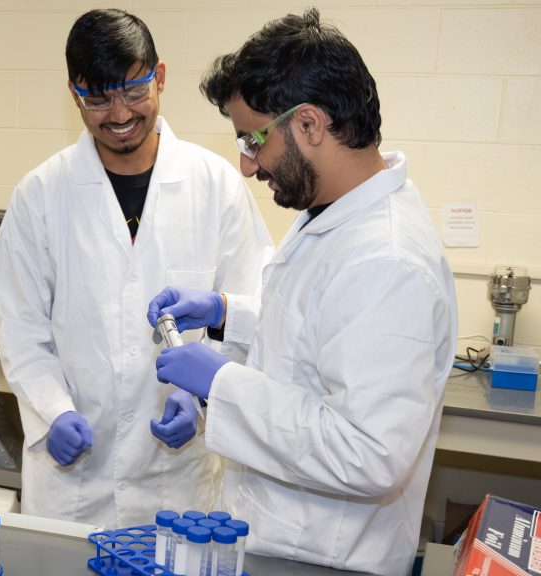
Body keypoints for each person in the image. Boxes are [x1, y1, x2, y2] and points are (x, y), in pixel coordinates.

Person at [148, 9, 457, 574]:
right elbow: (317, 335)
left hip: (324, 556)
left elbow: (368, 454)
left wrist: (221, 386)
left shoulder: (388, 259)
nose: (245, 164)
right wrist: (225, 315)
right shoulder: (331, 212)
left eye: (252, 138)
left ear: (311, 124)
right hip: (279, 536)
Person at [0, 9, 272, 528]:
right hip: (74, 482)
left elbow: (254, 308)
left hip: (178, 479)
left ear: (160, 76)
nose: (118, 113)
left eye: (134, 91)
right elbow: (19, 327)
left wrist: (204, 396)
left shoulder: (216, 186)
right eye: (98, 98)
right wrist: (53, 411)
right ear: (74, 92)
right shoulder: (41, 195)